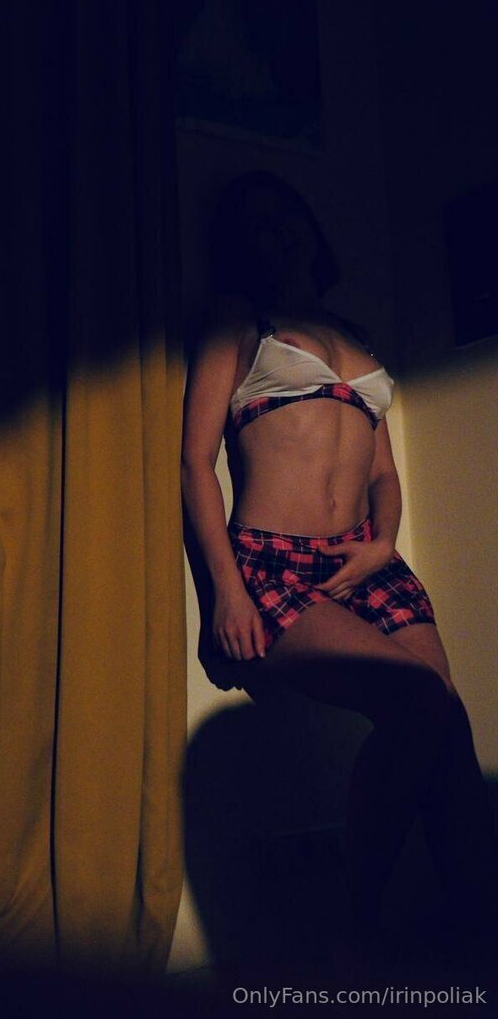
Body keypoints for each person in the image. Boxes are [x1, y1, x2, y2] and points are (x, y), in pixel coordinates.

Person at [180, 169, 498, 972]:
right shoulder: (238, 322)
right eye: (257, 221)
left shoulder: (357, 333)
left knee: (446, 722)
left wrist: (385, 541)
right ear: (240, 245)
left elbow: (383, 472)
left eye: (285, 212)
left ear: (310, 227)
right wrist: (224, 593)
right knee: (420, 701)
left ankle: (475, 924)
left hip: (369, 558)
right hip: (274, 560)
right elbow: (193, 462)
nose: (276, 228)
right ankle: (358, 925)